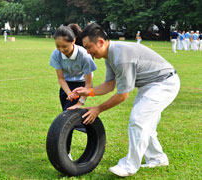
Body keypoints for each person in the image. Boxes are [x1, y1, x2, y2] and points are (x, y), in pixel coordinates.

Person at [71, 23, 180, 177]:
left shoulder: (121, 57)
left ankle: (129, 166)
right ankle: (157, 158)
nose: (88, 52)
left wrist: (98, 109)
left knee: (138, 119)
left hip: (164, 83)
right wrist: (88, 92)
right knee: (144, 122)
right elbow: (109, 85)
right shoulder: (110, 55)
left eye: (89, 47)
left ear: (101, 42)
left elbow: (123, 95)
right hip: (150, 85)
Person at [50, 25, 97, 156]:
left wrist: (80, 101)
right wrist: (69, 93)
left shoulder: (84, 55)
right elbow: (61, 79)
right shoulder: (56, 54)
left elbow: (88, 83)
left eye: (64, 47)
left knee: (66, 118)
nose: (61, 50)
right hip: (65, 87)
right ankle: (91, 130)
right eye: (58, 46)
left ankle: (66, 153)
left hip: (81, 85)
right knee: (68, 118)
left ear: (73, 41)